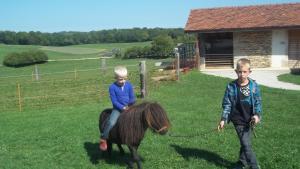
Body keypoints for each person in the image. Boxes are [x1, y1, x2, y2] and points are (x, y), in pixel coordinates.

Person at [217, 58, 262, 169]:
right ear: (236, 71)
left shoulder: (254, 86)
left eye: (244, 72)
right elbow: (227, 104)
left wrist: (257, 115)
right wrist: (223, 118)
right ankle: (254, 166)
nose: (242, 74)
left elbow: (258, 102)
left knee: (244, 142)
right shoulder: (231, 86)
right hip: (237, 119)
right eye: (239, 72)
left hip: (250, 119)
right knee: (246, 144)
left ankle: (242, 162)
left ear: (249, 72)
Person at [99, 66, 136, 151]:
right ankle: (103, 138)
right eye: (120, 79)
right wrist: (122, 107)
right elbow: (114, 101)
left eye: (124, 79)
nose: (122, 81)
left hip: (129, 107)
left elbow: (132, 97)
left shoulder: (129, 85)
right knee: (111, 122)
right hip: (118, 109)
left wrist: (130, 104)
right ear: (115, 78)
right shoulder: (112, 87)